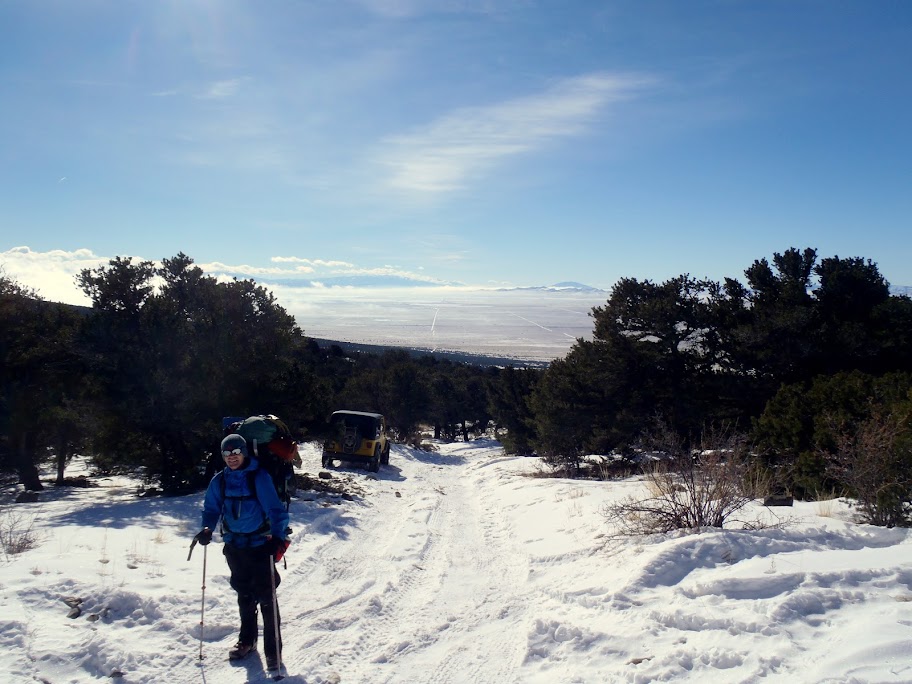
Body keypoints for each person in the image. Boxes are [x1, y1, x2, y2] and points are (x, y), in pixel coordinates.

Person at [194, 433, 290, 670]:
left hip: (260, 545)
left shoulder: (259, 477)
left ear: (244, 453)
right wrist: (207, 528)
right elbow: (211, 508)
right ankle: (247, 641)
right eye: (226, 453)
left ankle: (273, 653)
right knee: (244, 594)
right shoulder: (220, 480)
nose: (231, 457)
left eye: (236, 452)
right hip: (234, 546)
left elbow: (276, 510)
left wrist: (277, 538)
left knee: (267, 597)